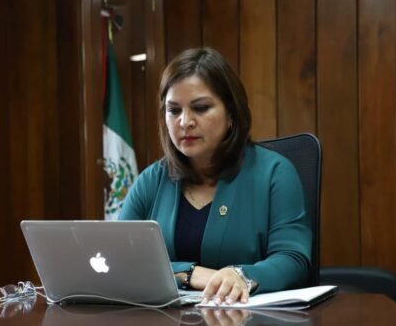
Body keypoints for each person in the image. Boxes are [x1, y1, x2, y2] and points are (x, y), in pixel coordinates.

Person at [119, 47, 311, 304]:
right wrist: (191, 273)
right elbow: (120, 260)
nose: (185, 122)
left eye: (200, 108)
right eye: (174, 110)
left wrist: (241, 276)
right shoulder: (152, 180)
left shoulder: (275, 174)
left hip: (251, 321)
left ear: (231, 113)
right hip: (166, 324)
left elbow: (293, 260)